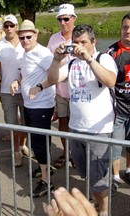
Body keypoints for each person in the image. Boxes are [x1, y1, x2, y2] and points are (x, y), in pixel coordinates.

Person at [47, 24, 118, 215]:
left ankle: (103, 211)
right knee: (86, 173)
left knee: (98, 178)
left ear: (93, 42)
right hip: (76, 128)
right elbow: (53, 78)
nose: (79, 47)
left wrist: (88, 58)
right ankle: (96, 200)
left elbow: (110, 81)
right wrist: (56, 60)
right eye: (76, 43)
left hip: (98, 131)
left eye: (83, 42)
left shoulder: (104, 58)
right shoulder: (71, 64)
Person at [10, 19, 55, 197]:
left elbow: (55, 75)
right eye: (22, 38)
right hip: (29, 104)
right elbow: (24, 74)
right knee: (37, 140)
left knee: (39, 142)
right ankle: (46, 168)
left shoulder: (44, 53)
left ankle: (46, 182)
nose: (25, 40)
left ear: (35, 35)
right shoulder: (24, 53)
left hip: (42, 105)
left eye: (29, 37)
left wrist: (40, 86)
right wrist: (16, 81)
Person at [0, 14, 27, 167]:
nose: (8, 28)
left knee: (25, 123)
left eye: (11, 25)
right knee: (12, 124)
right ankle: (16, 152)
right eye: (6, 26)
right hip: (7, 91)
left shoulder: (26, 42)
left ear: (17, 27)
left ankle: (22, 145)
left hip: (26, 90)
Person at [47, 3, 77, 169]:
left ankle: (78, 154)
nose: (63, 22)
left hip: (78, 90)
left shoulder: (80, 36)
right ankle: (67, 153)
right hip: (60, 90)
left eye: (66, 19)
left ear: (73, 18)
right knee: (63, 123)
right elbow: (48, 64)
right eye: (60, 19)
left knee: (78, 124)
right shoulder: (53, 39)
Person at [105, 12, 130, 195]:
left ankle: (128, 170)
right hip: (118, 110)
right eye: (125, 27)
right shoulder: (111, 52)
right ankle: (114, 177)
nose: (127, 30)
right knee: (115, 146)